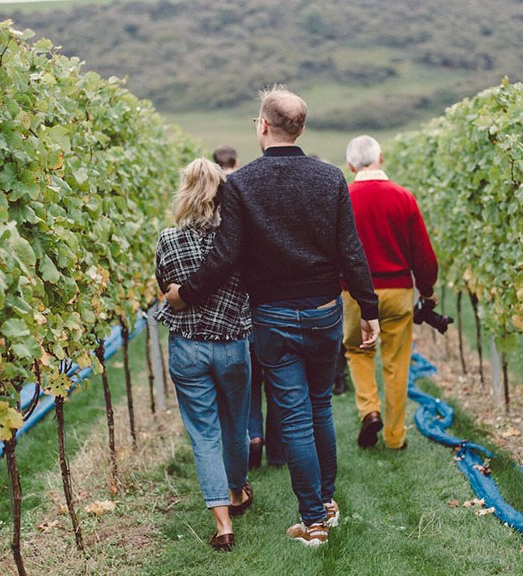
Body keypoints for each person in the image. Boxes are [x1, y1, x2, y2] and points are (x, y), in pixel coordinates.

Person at [166, 86, 380, 547]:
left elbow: (225, 256)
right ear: (300, 128)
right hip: (325, 311)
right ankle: (326, 501)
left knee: (296, 417)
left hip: (273, 318)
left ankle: (315, 520)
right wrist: (368, 308)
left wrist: (186, 293)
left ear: (263, 126)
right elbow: (351, 250)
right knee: (320, 405)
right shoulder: (330, 178)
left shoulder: (242, 184)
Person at [154, 158, 254, 553]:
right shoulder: (236, 240)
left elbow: (167, 288)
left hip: (187, 346)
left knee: (204, 434)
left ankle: (223, 524)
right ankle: (237, 491)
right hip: (232, 344)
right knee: (235, 426)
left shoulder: (167, 239)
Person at [342, 135, 439, 451]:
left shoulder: (344, 197)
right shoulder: (403, 197)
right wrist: (427, 290)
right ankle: (395, 436)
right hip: (398, 291)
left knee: (358, 350)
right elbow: (422, 253)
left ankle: (370, 409)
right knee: (397, 362)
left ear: (350, 165)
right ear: (381, 158)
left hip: (355, 292)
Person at [212, 145, 284, 470]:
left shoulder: (215, 199)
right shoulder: (251, 195)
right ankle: (278, 450)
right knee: (279, 376)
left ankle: (253, 436)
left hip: (239, 309)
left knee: (251, 379)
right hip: (268, 301)